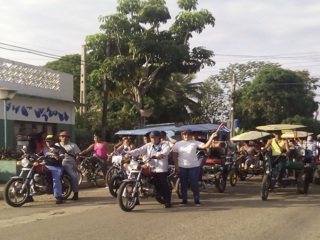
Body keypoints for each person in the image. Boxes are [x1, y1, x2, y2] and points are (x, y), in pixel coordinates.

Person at [125, 130, 172, 208]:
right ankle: (135, 199)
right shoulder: (148, 145)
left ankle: (167, 201)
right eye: (151, 137)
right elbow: (139, 150)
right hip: (149, 167)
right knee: (139, 179)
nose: (153, 139)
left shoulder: (164, 144)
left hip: (160, 168)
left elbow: (166, 151)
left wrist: (160, 155)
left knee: (163, 183)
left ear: (159, 138)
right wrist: (129, 153)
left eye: (154, 137)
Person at [172, 128, 218, 207]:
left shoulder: (195, 143)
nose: (187, 136)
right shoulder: (177, 144)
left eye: (189, 134)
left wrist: (212, 137)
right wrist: (176, 166)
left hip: (194, 166)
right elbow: (174, 156)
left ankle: (197, 200)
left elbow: (205, 145)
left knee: (194, 184)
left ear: (191, 135)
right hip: (182, 166)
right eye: (185, 134)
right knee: (183, 184)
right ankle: (184, 200)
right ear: (182, 135)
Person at [37, 134, 66, 204]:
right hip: (46, 166)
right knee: (35, 175)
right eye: (47, 141)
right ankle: (29, 195)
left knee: (56, 180)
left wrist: (56, 155)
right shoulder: (44, 148)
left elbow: (62, 156)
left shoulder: (59, 149)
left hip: (56, 167)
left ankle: (58, 196)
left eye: (50, 141)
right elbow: (37, 155)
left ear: (53, 141)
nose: (48, 142)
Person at [56, 131, 81, 200]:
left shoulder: (73, 145)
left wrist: (76, 165)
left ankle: (76, 193)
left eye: (66, 137)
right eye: (63, 136)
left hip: (68, 164)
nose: (64, 138)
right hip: (57, 163)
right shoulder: (56, 145)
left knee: (74, 176)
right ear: (59, 137)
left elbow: (78, 156)